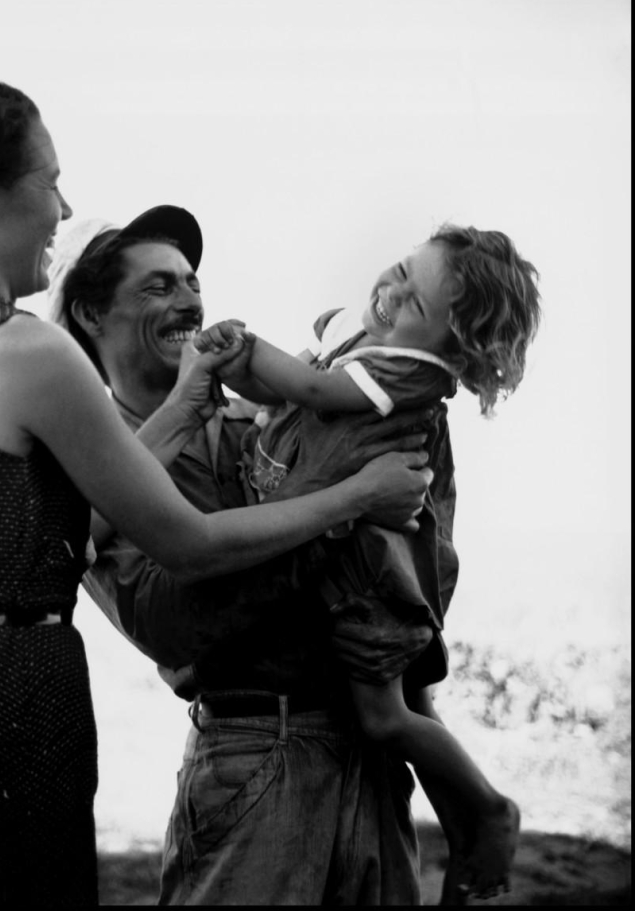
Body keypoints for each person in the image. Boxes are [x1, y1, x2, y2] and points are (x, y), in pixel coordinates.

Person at [0, 80, 432, 907]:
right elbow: (184, 542)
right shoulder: (26, 347)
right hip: (6, 709)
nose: (61, 208)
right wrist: (358, 494)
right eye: (48, 181)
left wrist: (172, 410)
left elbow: (58, 514)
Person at [47, 210, 442, 905]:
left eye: (192, 282)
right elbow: (170, 622)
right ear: (88, 312)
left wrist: (453, 789)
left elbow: (408, 580)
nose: (188, 302)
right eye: (157, 287)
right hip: (256, 754)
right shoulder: (89, 471)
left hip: (371, 757)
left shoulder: (271, 422)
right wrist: (344, 503)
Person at [195, 224, 541, 900]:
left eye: (414, 302)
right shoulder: (366, 339)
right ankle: (463, 819)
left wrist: (244, 348)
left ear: (453, 342)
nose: (389, 292)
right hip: (348, 559)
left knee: (385, 714)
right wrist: (252, 384)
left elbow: (314, 392)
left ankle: (486, 807)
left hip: (367, 581)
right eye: (399, 271)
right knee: (404, 703)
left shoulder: (408, 374)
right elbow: (294, 388)